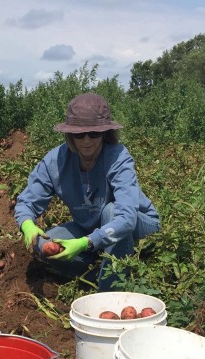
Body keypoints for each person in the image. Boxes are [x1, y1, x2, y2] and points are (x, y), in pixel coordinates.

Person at [14, 92, 160, 290]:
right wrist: (27, 225)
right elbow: (26, 202)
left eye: (94, 133)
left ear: (105, 133)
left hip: (138, 224)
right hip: (89, 228)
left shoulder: (118, 157)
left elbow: (126, 218)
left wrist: (86, 243)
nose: (86, 140)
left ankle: (109, 293)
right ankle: (99, 274)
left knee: (111, 211)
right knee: (44, 245)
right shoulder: (56, 160)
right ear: (69, 134)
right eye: (79, 134)